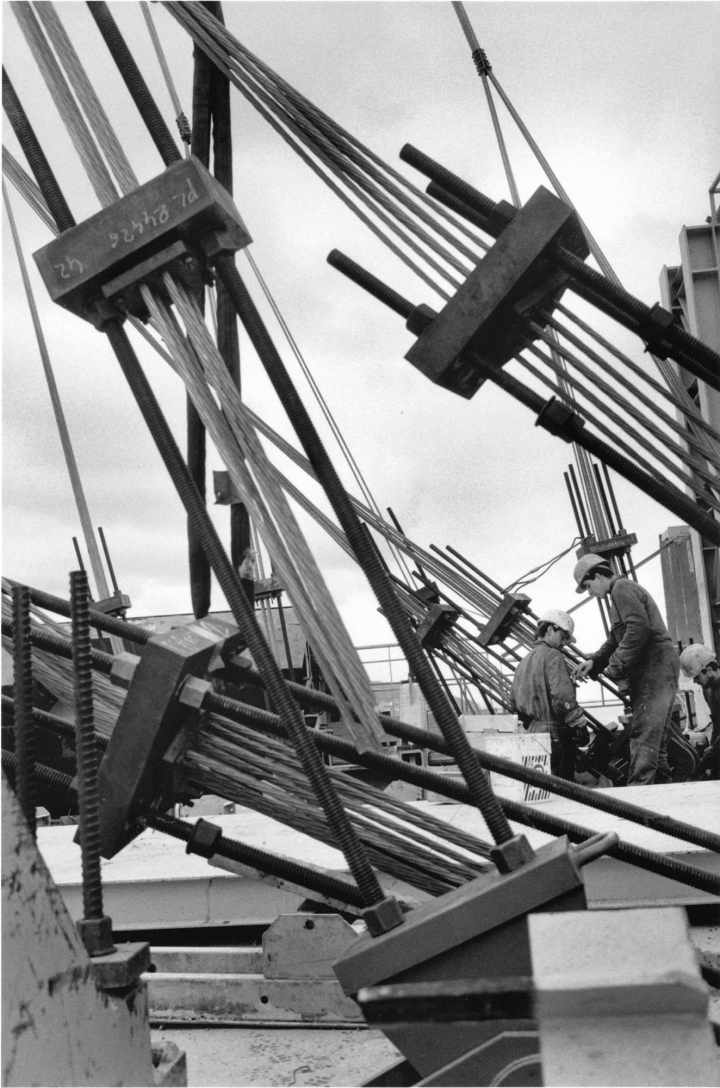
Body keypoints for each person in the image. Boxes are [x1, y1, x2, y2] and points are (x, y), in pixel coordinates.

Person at [571, 554, 678, 786]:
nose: (590, 593)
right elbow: (615, 640)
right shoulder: (617, 597)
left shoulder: (621, 588)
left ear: (598, 576)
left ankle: (640, 794)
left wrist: (617, 665)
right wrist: (595, 662)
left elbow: (639, 629)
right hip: (655, 665)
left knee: (643, 734)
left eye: (588, 586)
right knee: (654, 737)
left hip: (655, 664)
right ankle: (663, 789)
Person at [510, 609, 589, 780]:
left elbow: (513, 703)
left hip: (532, 735)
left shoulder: (523, 662)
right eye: (563, 637)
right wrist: (580, 724)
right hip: (553, 736)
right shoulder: (553, 656)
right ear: (551, 629)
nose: (564, 644)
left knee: (542, 791)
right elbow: (562, 699)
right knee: (562, 790)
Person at [679, 645, 720, 779]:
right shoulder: (707, 689)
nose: (696, 682)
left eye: (697, 677)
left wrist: (711, 753)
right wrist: (712, 746)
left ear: (708, 670)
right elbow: (717, 723)